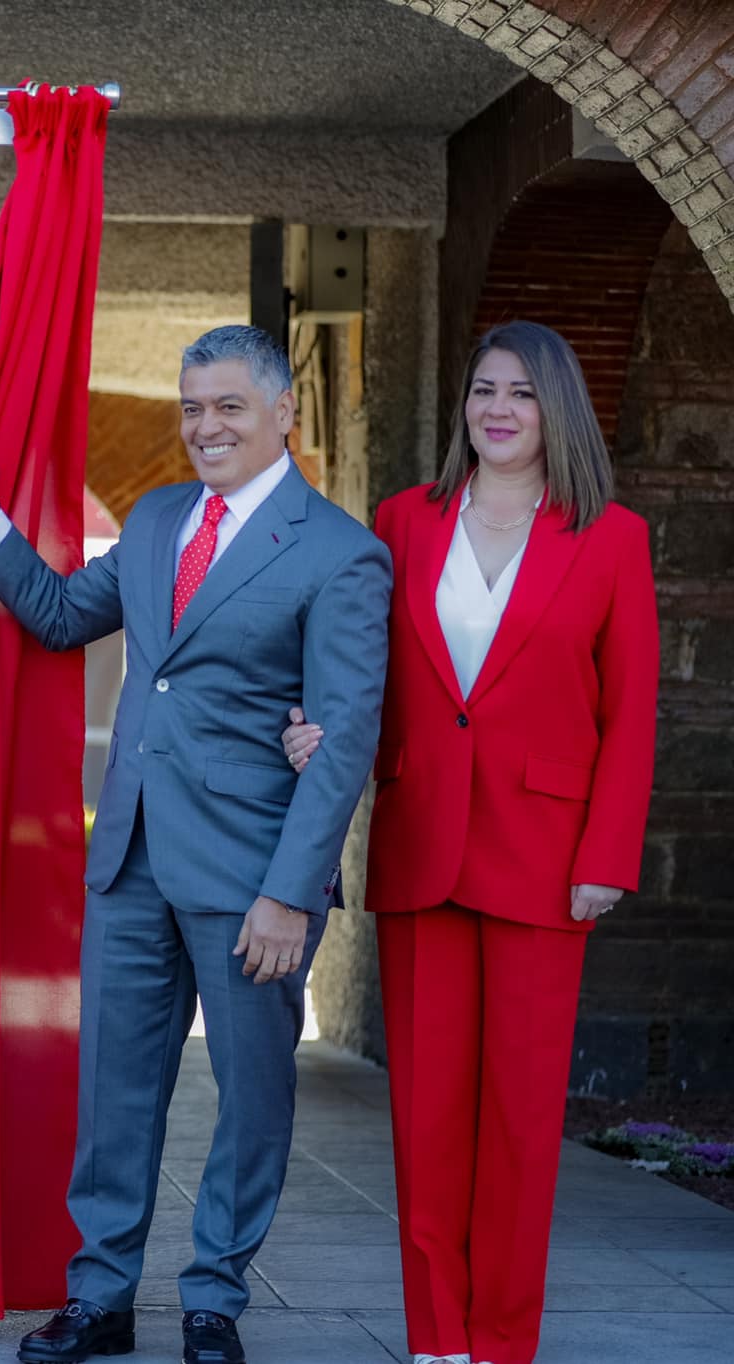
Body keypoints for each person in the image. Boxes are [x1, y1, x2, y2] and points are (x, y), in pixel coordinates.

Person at [0, 324, 391, 1364]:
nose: (203, 426)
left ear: (281, 412)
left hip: (249, 875)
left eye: (227, 406)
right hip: (131, 856)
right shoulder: (150, 522)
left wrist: (291, 892)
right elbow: (57, 616)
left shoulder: (339, 553)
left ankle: (213, 1300)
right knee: (113, 1093)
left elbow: (341, 740)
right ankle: (98, 1298)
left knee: (250, 1099)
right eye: (190, 407)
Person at [279, 320, 657, 1364]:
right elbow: (353, 659)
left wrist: (604, 858)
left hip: (545, 856)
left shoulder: (609, 537)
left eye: (521, 393)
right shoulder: (403, 520)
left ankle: (500, 1340)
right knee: (427, 1114)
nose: (496, 408)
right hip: (420, 844)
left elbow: (629, 712)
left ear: (554, 412)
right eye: (483, 388)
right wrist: (319, 723)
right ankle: (436, 1336)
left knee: (520, 1119)